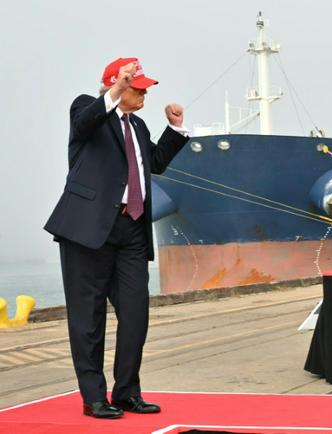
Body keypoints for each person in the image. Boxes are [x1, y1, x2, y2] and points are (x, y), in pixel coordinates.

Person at [44, 57, 189, 419]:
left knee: (136, 314)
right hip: (88, 230)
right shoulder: (86, 109)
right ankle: (94, 397)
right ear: (118, 85)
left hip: (132, 230)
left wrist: (175, 129)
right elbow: (86, 121)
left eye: (144, 89)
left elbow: (154, 163)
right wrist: (117, 88)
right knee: (88, 318)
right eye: (138, 88)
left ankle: (126, 392)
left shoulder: (137, 125)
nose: (144, 95)